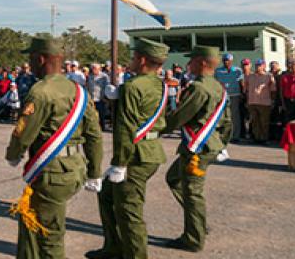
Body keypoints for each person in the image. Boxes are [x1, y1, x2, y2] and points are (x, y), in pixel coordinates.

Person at [6, 37, 103, 259]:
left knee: (49, 236)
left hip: (52, 172)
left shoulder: (40, 91)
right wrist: (95, 171)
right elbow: (94, 134)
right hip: (75, 167)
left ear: (41, 59)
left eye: (31, 58)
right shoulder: (78, 90)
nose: (30, 64)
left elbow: (23, 131)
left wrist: (13, 154)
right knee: (32, 221)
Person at [86, 38, 170, 259]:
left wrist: (119, 163)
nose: (130, 61)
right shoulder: (157, 83)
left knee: (129, 211)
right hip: (150, 150)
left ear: (142, 60)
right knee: (106, 195)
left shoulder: (134, 86)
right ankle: (114, 247)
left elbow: (125, 129)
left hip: (134, 155)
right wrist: (120, 93)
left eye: (133, 57)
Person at [162, 45, 231, 253]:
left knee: (192, 193)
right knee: (174, 179)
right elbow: (227, 121)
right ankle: (197, 223)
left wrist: (154, 128)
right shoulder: (218, 86)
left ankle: (193, 238)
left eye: (191, 60)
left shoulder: (199, 88)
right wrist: (222, 145)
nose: (188, 64)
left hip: (197, 148)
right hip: (209, 145)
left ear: (201, 62)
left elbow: (178, 117)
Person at [244, 59, 276, 145]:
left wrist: (272, 101)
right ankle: (257, 138)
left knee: (264, 122)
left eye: (260, 65)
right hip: (252, 102)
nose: (258, 67)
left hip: (264, 103)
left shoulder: (269, 76)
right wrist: (247, 101)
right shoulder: (250, 76)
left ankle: (264, 138)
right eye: (257, 65)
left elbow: (273, 90)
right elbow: (246, 90)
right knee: (255, 122)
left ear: (264, 66)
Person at [214, 53, 243, 143]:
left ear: (231, 61)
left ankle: (236, 136)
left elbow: (241, 83)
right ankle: (224, 135)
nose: (226, 62)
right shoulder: (218, 71)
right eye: (225, 60)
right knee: (223, 117)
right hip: (222, 96)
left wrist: (242, 94)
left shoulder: (238, 70)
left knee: (235, 117)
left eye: (228, 60)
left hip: (234, 95)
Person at [86, 64, 110, 131]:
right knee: (92, 115)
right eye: (92, 68)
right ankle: (94, 129)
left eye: (95, 68)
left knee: (101, 115)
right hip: (92, 99)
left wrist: (105, 97)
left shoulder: (104, 76)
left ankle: (102, 128)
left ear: (99, 69)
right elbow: (88, 86)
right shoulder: (90, 76)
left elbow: (107, 87)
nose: (93, 70)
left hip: (101, 99)